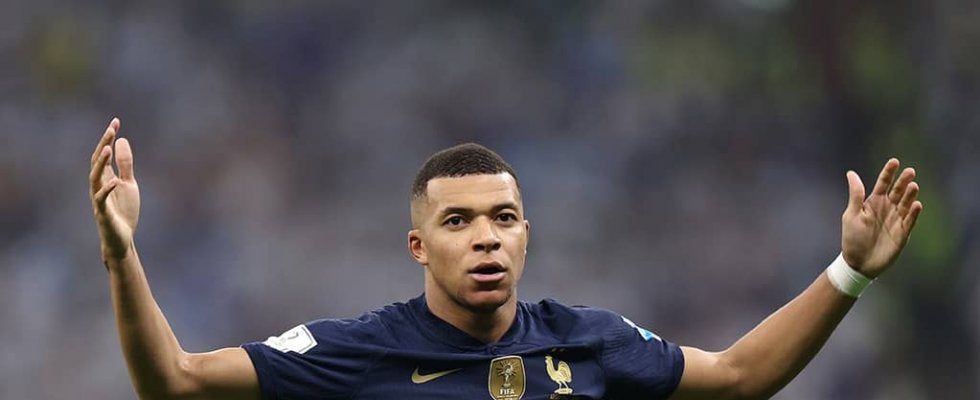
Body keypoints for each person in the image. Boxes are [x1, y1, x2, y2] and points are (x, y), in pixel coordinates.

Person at [89, 117, 923, 400]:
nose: (485, 236)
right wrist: (122, 253)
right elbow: (177, 382)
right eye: (457, 221)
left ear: (527, 235)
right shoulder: (359, 352)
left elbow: (740, 378)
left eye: (503, 218)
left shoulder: (592, 344)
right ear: (418, 246)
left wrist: (850, 271)